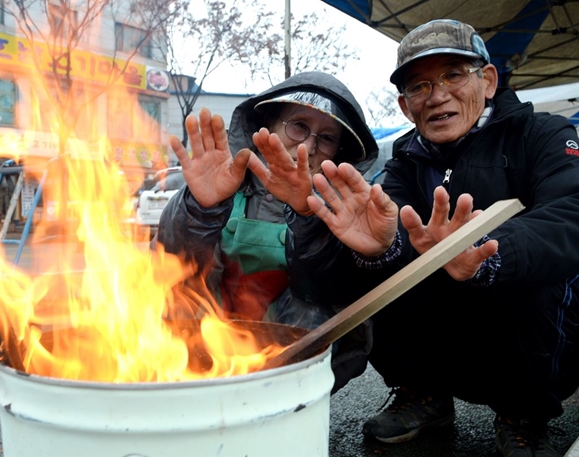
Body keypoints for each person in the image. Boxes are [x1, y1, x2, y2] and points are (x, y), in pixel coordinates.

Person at [254, 19, 579, 457]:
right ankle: (422, 392)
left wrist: (489, 256)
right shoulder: (402, 162)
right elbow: (332, 285)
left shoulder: (543, 136)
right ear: (406, 107)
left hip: (520, 318)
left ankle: (523, 413)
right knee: (378, 273)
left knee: (537, 277)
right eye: (420, 86)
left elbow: (569, 213)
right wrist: (365, 244)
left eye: (452, 75)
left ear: (487, 80)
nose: (438, 95)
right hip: (446, 316)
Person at [156, 71, 379, 392]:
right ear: (268, 125)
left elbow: (335, 288)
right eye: (299, 125)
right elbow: (169, 261)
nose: (308, 146)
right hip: (210, 340)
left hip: (290, 356)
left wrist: (308, 216)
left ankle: (287, 409)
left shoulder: (345, 209)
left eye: (327, 138)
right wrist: (201, 208)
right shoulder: (219, 182)